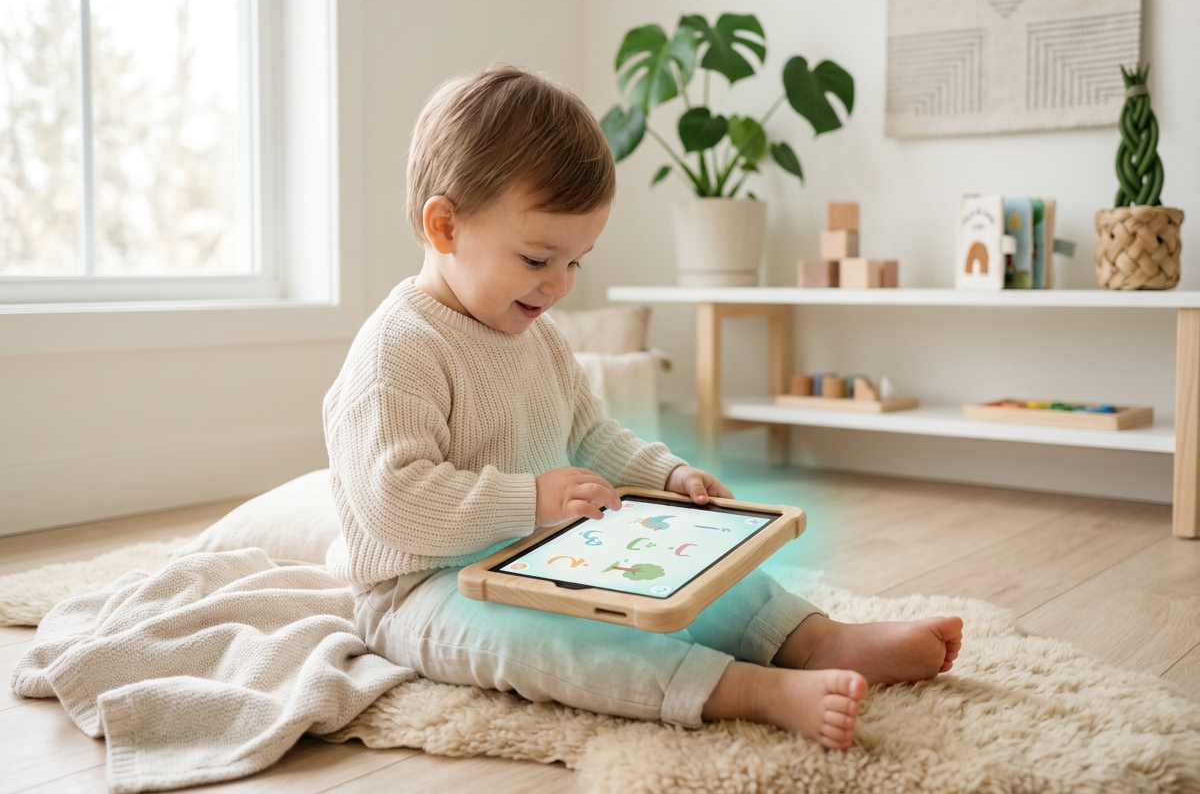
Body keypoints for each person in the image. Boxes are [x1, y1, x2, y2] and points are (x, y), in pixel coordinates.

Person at [323, 65, 962, 750]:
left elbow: (589, 434)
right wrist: (530, 498)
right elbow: (394, 501)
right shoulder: (398, 350)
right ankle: (745, 690)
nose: (560, 284)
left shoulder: (539, 339)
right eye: (540, 258)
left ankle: (816, 639)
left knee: (701, 569)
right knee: (555, 642)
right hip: (424, 589)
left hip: (541, 553)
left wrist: (665, 477)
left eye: (577, 262)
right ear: (444, 226)